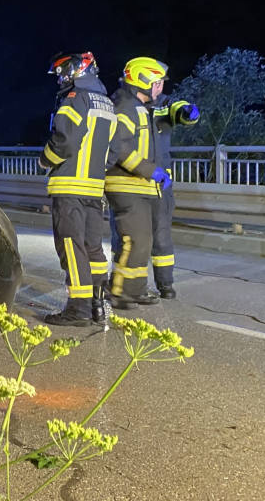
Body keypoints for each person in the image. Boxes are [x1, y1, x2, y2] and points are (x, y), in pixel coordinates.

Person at [38, 52, 117, 326]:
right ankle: (98, 305)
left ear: (76, 70)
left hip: (70, 186)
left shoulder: (75, 98)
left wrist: (45, 159)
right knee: (93, 248)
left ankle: (78, 309)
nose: (61, 78)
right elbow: (113, 152)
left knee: (72, 248)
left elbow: (65, 141)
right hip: (94, 189)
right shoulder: (108, 104)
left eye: (63, 72)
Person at [106, 57, 172, 309]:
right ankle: (119, 292)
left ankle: (135, 289)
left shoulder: (138, 107)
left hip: (139, 185)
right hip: (125, 185)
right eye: (157, 83)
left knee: (142, 241)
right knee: (135, 240)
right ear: (141, 81)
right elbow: (120, 148)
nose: (160, 88)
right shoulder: (125, 107)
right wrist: (150, 170)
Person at [148, 91, 200, 298]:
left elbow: (180, 111)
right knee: (128, 237)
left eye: (160, 82)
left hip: (160, 183)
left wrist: (188, 112)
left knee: (161, 236)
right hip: (133, 180)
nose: (157, 86)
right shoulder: (127, 102)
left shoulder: (166, 104)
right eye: (155, 81)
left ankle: (165, 284)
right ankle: (128, 285)